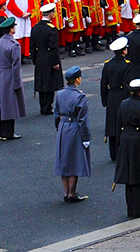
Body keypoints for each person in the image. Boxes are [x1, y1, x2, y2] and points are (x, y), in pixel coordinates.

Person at [114, 78, 140, 218]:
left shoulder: (123, 104)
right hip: (138, 142)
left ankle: (130, 208)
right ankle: (138, 208)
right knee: (139, 178)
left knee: (128, 178)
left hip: (125, 141)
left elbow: (118, 124)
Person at [54, 65, 91, 203]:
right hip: (74, 127)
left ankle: (66, 192)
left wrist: (59, 128)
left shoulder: (59, 94)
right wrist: (86, 137)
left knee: (64, 160)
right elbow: (83, 120)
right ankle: (72, 193)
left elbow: (56, 114)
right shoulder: (80, 96)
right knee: (75, 160)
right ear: (77, 79)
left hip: (63, 126)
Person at [0, 16, 26, 140]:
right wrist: (17, 82)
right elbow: (16, 66)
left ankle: (3, 132)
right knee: (11, 105)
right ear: (11, 30)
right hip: (10, 75)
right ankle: (9, 132)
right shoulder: (14, 45)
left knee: (2, 104)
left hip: (0, 74)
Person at [100, 36, 131, 162]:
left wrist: (105, 100)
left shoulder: (108, 64)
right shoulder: (127, 65)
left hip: (111, 95)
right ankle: (122, 152)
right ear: (124, 51)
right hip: (121, 95)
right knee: (123, 124)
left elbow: (103, 84)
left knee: (112, 125)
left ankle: (113, 153)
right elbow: (127, 84)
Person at [30, 4, 64, 115]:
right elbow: (53, 47)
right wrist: (55, 62)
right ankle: (48, 106)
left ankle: (43, 106)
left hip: (39, 56)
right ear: (50, 14)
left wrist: (35, 59)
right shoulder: (52, 29)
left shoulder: (35, 27)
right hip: (49, 57)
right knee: (50, 82)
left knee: (41, 82)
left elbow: (32, 46)